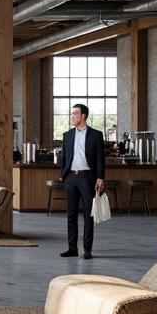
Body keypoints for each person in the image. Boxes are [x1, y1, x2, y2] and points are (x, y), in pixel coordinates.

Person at [59, 103, 106, 260]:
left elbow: (100, 158)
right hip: (70, 178)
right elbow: (64, 157)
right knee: (71, 214)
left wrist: (100, 177)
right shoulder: (67, 135)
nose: (72, 116)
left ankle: (87, 249)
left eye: (75, 114)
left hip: (87, 178)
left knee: (88, 215)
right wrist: (63, 174)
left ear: (83, 116)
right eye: (71, 113)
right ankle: (72, 247)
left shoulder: (96, 135)